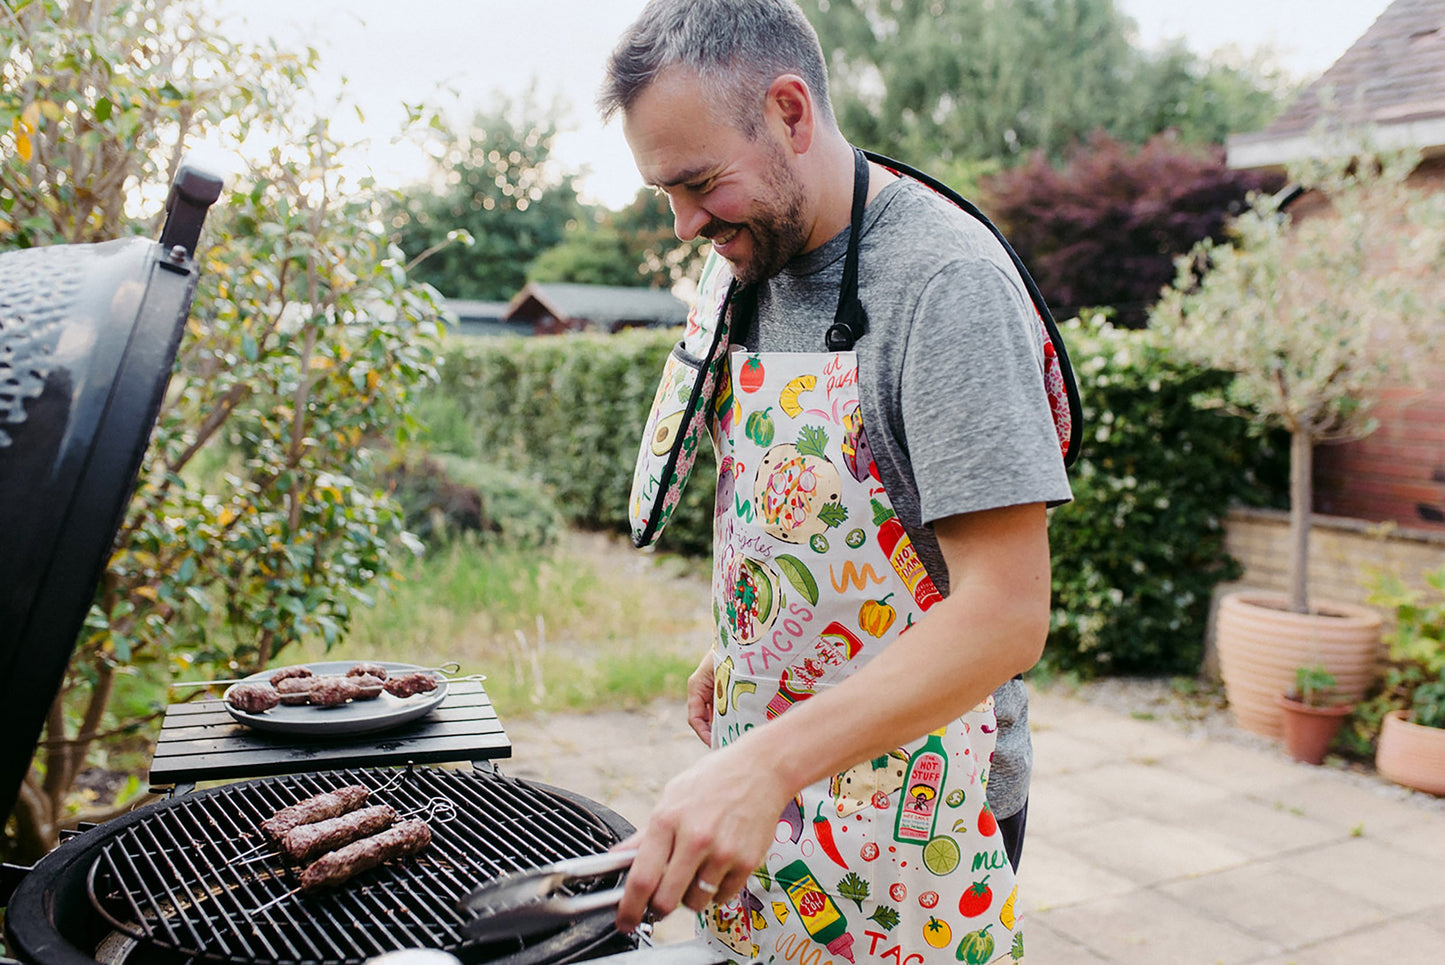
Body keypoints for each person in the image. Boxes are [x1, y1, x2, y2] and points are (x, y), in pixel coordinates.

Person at [598, 1, 1072, 961]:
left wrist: (764, 763)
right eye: (666, 193)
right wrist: (756, 649)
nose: (685, 222)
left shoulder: (945, 284)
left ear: (788, 112)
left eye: (698, 183)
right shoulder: (752, 262)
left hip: (922, 820)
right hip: (770, 785)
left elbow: (1005, 614)